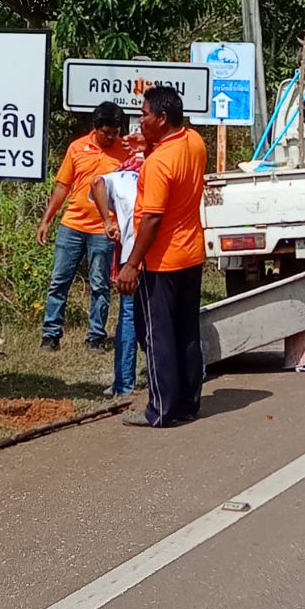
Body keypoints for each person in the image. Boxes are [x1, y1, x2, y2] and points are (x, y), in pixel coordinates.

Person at [113, 83, 208, 427]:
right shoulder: (194, 142)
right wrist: (148, 145)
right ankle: (187, 402)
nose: (140, 122)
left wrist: (132, 264)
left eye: (144, 115)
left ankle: (161, 409)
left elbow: (151, 217)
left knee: (157, 335)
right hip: (191, 254)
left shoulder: (158, 164)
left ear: (162, 118)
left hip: (162, 261)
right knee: (186, 331)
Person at [36, 101, 129, 354]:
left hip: (104, 229)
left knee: (99, 283)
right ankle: (50, 335)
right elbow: (62, 186)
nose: (110, 137)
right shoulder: (77, 148)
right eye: (105, 132)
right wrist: (47, 219)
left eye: (114, 133)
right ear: (95, 128)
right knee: (59, 281)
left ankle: (96, 336)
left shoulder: (125, 151)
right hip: (72, 226)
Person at [89, 134, 146, 400]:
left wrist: (107, 222)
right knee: (162, 316)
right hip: (163, 256)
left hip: (132, 257)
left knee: (128, 316)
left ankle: (124, 384)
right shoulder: (158, 169)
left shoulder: (121, 177)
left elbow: (96, 182)